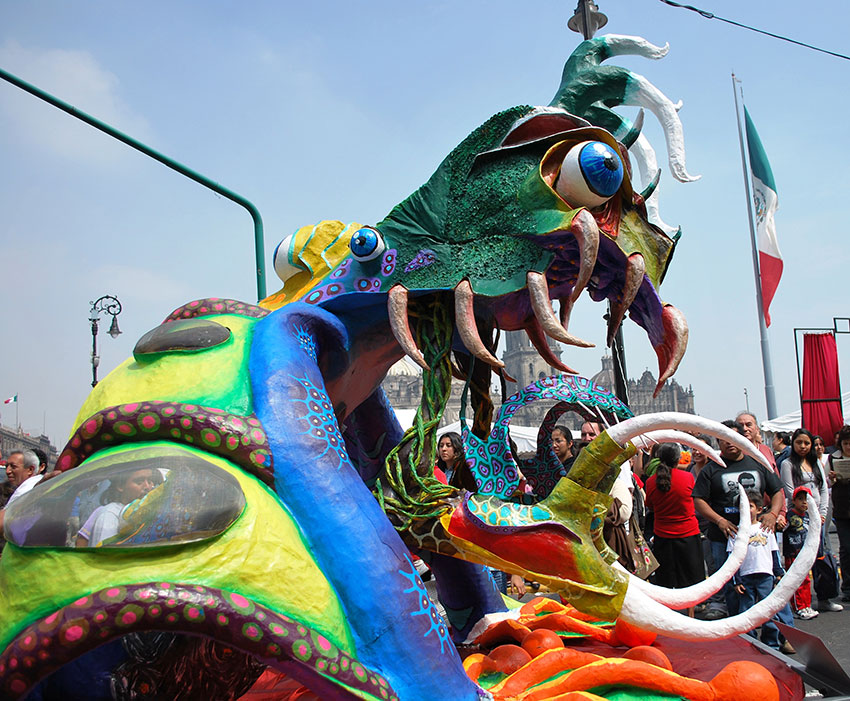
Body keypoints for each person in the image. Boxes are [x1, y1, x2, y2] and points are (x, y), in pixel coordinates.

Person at [692, 419, 784, 621]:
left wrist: (773, 514)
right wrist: (719, 521)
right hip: (724, 537)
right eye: (724, 439)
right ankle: (738, 630)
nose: (730, 442)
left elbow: (777, 491)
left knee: (766, 583)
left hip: (757, 538)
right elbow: (698, 500)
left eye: (734, 437)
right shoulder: (711, 469)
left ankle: (774, 632)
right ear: (718, 442)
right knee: (732, 585)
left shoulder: (758, 463)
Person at [644, 443, 703, 612]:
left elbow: (650, 506)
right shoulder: (687, 478)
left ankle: (668, 615)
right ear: (678, 459)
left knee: (666, 582)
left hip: (663, 536)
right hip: (688, 535)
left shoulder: (650, 482)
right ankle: (691, 613)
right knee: (691, 582)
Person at [729, 489, 785, 651]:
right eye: (742, 507)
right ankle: (750, 645)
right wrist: (736, 581)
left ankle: (771, 645)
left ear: (759, 509)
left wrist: (779, 573)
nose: (746, 510)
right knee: (747, 612)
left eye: (750, 506)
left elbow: (774, 552)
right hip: (745, 578)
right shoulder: (736, 532)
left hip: (766, 575)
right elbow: (732, 560)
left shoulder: (765, 529)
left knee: (768, 611)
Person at [75, 468, 157, 546]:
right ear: (120, 486)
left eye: (149, 481)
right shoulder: (110, 515)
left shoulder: (147, 512)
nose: (147, 487)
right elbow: (106, 556)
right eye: (139, 482)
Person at [784, 486, 817, 619]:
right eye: (800, 499)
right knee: (795, 580)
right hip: (792, 552)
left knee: (806, 580)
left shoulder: (808, 516)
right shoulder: (789, 515)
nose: (804, 502)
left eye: (806, 499)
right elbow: (782, 527)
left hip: (804, 553)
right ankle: (798, 607)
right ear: (794, 500)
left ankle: (806, 605)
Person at [828, 425, 850, 602]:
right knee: (846, 548)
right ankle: (847, 587)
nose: (848, 446)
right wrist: (832, 478)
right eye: (845, 443)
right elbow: (827, 483)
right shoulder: (833, 458)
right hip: (842, 510)